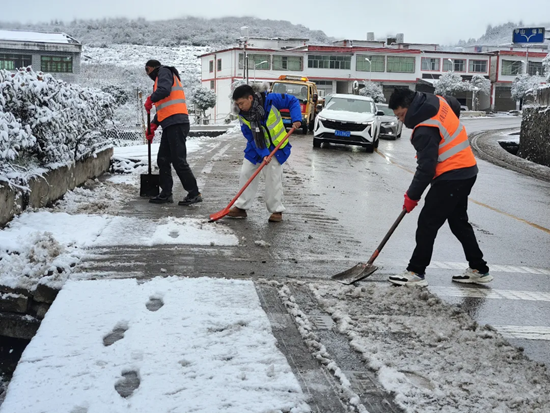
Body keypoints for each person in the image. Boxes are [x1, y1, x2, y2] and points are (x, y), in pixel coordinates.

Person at [387, 88, 492, 287]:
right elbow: (452, 103)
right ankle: (479, 268)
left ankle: (416, 272)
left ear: (410, 107)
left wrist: (412, 196)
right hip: (467, 170)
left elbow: (426, 168)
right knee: (459, 222)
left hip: (451, 177)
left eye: (401, 115)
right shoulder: (434, 101)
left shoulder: (424, 129)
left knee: (427, 223)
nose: (400, 120)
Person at [227, 84, 301, 222]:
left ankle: (276, 210)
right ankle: (241, 207)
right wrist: (263, 153)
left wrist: (296, 118)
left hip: (276, 146)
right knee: (246, 173)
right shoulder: (242, 115)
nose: (240, 107)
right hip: (256, 146)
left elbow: (292, 100)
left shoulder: (271, 100)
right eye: (237, 104)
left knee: (272, 177)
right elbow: (250, 136)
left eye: (242, 103)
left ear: (250, 98)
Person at [144, 59, 202, 206]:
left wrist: (151, 99)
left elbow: (164, 91)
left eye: (147, 70)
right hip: (171, 123)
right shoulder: (161, 77)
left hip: (176, 123)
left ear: (151, 68)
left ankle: (194, 193)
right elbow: (165, 107)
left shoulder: (164, 71)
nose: (147, 74)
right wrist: (153, 125)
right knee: (163, 159)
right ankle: (166, 193)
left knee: (178, 160)